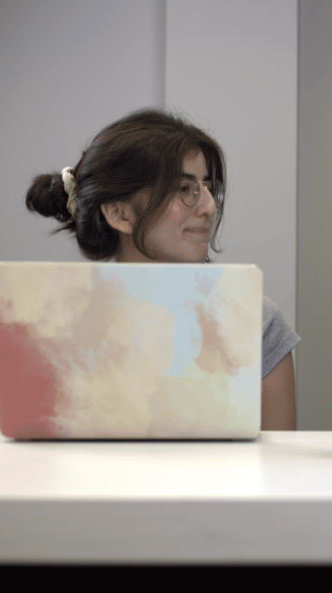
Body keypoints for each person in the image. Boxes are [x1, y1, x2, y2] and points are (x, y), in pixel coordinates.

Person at [25, 108, 300, 430]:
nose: (210, 206)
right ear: (120, 214)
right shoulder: (59, 324)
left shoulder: (254, 319)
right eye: (184, 188)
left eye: (207, 187)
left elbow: (278, 455)